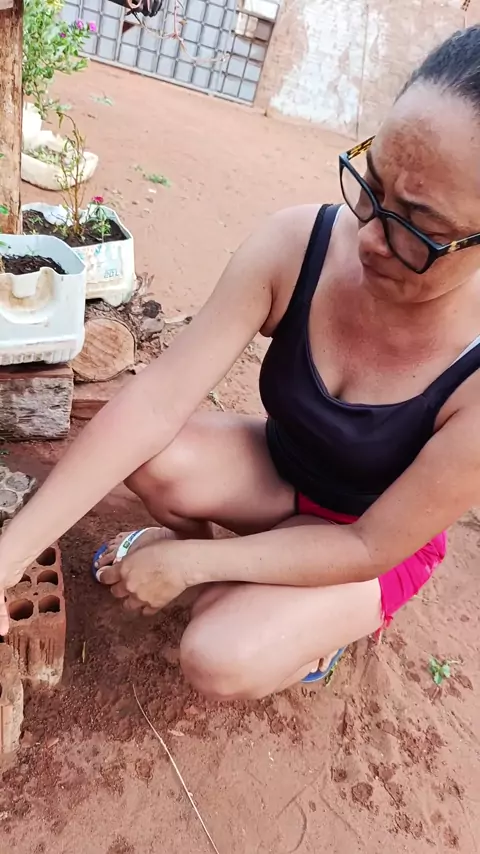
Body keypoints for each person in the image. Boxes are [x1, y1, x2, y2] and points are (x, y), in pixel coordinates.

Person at [2, 27, 480, 701]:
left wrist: (193, 563)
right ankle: (233, 573)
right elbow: (153, 404)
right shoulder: (298, 244)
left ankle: (307, 633)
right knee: (154, 454)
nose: (371, 237)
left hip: (372, 542)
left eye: (418, 228)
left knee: (220, 653)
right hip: (285, 473)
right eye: (371, 186)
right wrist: (8, 558)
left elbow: (370, 544)